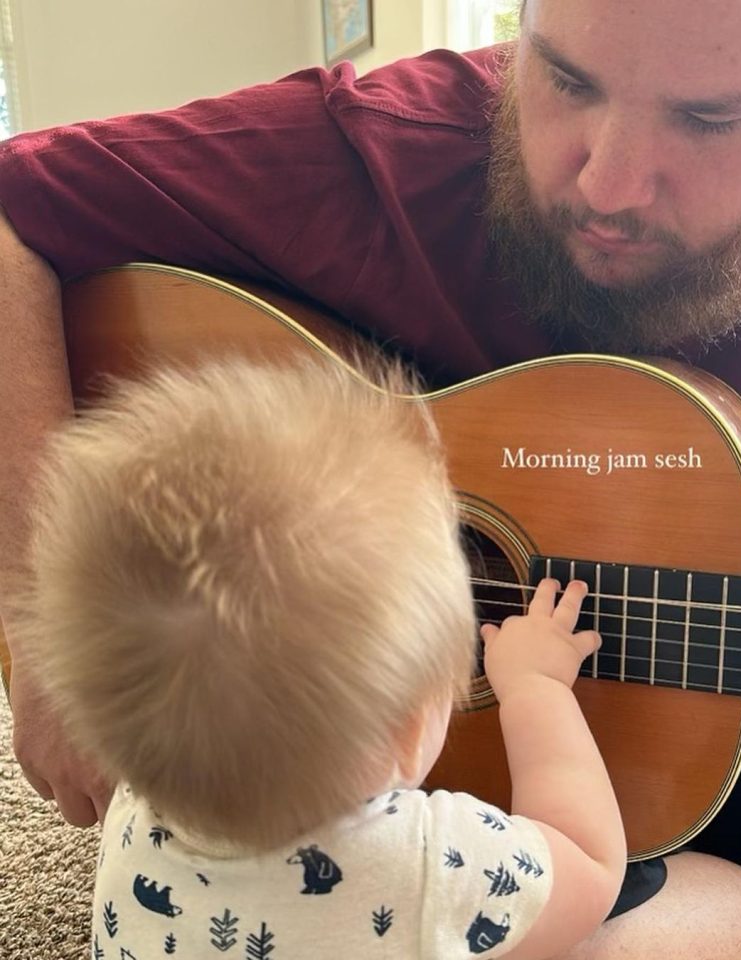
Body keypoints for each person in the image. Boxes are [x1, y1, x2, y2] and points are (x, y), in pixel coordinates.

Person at [1, 0, 741, 955]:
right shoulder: (398, 142)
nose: (608, 185)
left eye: (711, 119)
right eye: (565, 79)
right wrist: (37, 636)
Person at [15, 354, 625, 959]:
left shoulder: (134, 803)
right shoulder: (432, 868)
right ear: (411, 732)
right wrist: (537, 689)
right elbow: (589, 862)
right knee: (722, 897)